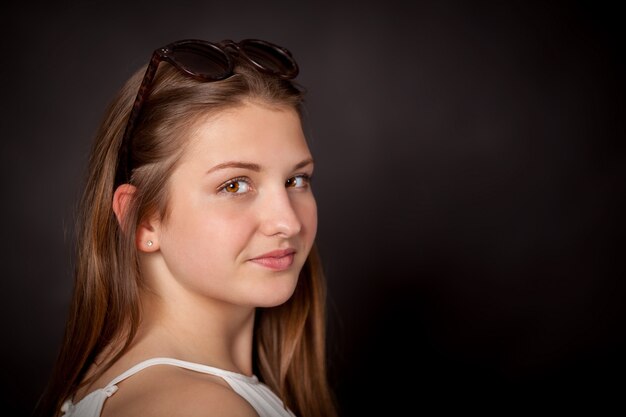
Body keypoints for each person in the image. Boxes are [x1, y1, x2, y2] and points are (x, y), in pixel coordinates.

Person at [35, 38, 338, 417]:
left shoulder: (135, 384)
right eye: (234, 185)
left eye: (297, 180)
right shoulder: (200, 407)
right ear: (142, 220)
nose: (288, 222)